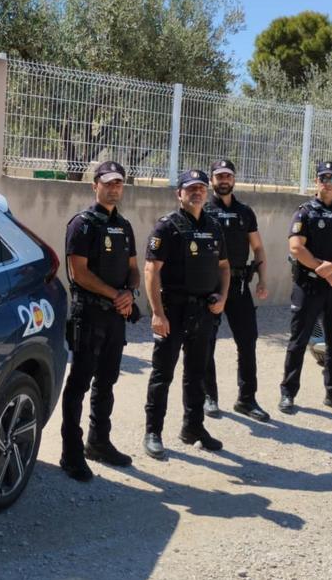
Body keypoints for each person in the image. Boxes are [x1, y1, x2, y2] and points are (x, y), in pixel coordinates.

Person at [59, 161, 140, 481]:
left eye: (118, 183)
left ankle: (99, 441)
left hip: (116, 317)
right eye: (107, 183)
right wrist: (113, 294)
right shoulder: (82, 224)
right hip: (89, 315)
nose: (114, 188)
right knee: (79, 382)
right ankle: (71, 451)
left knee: (107, 381)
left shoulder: (125, 225)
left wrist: (129, 293)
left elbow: (134, 267)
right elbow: (78, 272)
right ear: (95, 186)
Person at [142, 170, 230, 460]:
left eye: (201, 188)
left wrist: (223, 296)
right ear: (179, 193)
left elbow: (225, 267)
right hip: (173, 311)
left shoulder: (214, 227)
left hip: (204, 312)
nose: (197, 193)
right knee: (162, 373)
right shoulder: (167, 227)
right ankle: (153, 432)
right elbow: (151, 271)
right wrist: (157, 313)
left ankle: (193, 428)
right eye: (190, 188)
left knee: (196, 373)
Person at [279, 161, 332, 415]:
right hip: (309, 285)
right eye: (322, 178)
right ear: (316, 182)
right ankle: (288, 393)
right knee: (298, 340)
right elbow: (296, 247)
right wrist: (323, 270)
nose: (327, 182)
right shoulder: (304, 212)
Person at [201, 159, 271, 422]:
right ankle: (209, 396)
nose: (223, 180)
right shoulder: (204, 209)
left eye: (227, 175)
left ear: (234, 179)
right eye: (219, 176)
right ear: (212, 180)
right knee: (207, 341)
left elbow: (259, 248)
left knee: (247, 341)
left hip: (240, 285)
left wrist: (263, 280)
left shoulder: (245, 212)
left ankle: (246, 399)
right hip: (211, 286)